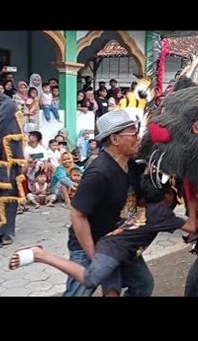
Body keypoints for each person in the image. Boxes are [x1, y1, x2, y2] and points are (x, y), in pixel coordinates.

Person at [8, 175, 198, 296]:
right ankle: (40, 254)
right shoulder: (162, 214)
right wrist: (192, 197)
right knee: (90, 279)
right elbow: (192, 226)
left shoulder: (142, 204)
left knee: (134, 285)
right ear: (167, 197)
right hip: (111, 250)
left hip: (118, 249)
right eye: (174, 194)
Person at [62, 110, 154, 297]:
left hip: (117, 242)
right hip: (88, 243)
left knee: (143, 284)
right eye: (133, 132)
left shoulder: (133, 167)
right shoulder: (99, 173)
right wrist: (94, 256)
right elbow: (77, 214)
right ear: (115, 139)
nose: (137, 137)